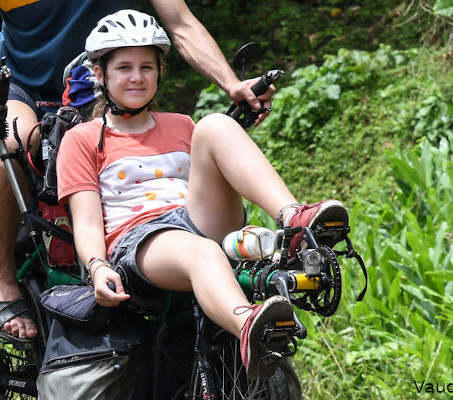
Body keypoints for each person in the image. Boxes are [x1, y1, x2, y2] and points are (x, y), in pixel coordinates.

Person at [0, 0, 274, 342]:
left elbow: (181, 24)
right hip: (22, 84)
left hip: (103, 78)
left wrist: (232, 84)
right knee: (15, 142)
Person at [55, 10, 349, 381]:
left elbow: (209, 183)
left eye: (147, 67)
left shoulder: (181, 124)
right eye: (124, 67)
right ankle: (249, 329)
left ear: (159, 71)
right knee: (203, 251)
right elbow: (85, 220)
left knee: (214, 124)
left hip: (194, 218)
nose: (137, 77)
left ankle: (295, 218)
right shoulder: (81, 138)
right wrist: (97, 266)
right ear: (101, 74)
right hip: (140, 243)